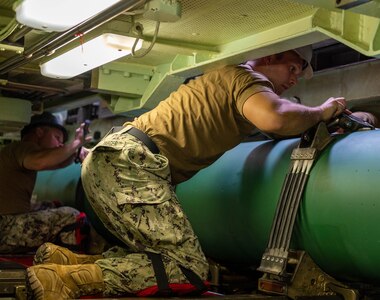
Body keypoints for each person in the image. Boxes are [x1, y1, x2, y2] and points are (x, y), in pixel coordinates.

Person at [26, 46, 377, 299]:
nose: (295, 77)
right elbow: (277, 118)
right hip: (133, 164)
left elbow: (278, 124)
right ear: (271, 56)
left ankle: (67, 261)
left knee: (154, 252)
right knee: (189, 268)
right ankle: (67, 280)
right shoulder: (244, 76)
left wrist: (342, 123)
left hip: (117, 159)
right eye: (294, 67)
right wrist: (324, 109)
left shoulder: (230, 85)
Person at [0, 112, 91, 253]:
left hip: (5, 224)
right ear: (40, 132)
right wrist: (76, 143)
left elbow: (54, 163)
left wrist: (75, 152)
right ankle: (68, 259)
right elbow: (41, 161)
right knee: (70, 215)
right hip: (4, 229)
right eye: (57, 137)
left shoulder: (13, 151)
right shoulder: (24, 148)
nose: (60, 144)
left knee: (49, 205)